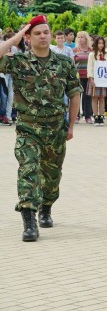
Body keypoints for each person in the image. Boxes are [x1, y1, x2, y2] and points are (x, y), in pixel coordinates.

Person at [0, 16, 82, 242]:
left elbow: (75, 93)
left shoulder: (64, 63)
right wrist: (15, 37)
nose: (43, 36)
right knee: (29, 170)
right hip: (28, 128)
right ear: (28, 38)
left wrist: (71, 125)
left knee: (52, 176)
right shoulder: (18, 62)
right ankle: (29, 220)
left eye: (46, 32)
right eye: (37, 33)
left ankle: (46, 206)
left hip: (56, 128)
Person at [87, 37, 107, 126]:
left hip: (103, 79)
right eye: (99, 43)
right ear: (96, 44)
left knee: (102, 98)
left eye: (102, 43)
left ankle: (101, 116)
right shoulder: (92, 54)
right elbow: (90, 66)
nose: (101, 45)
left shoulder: (106, 54)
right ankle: (95, 116)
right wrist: (90, 77)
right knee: (94, 98)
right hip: (94, 78)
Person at [73, 31, 94, 123]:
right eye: (78, 37)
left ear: (86, 39)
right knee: (77, 96)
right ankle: (76, 116)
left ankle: (87, 116)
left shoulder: (91, 50)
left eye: (82, 37)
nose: (80, 39)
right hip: (77, 76)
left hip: (88, 76)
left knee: (88, 96)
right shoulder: (75, 50)